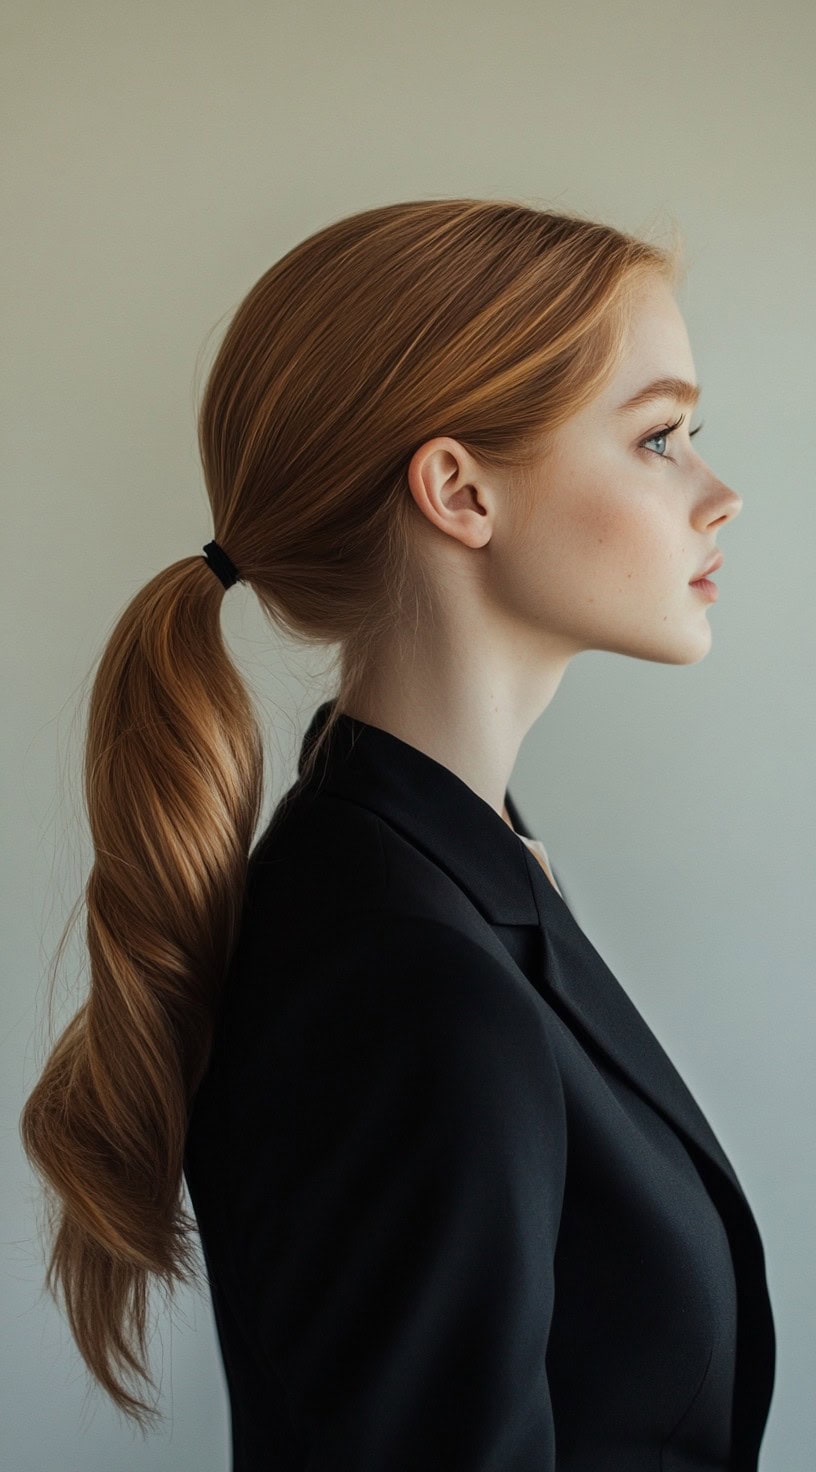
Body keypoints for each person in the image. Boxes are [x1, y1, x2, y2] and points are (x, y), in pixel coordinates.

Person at [19, 197, 775, 1469]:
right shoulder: (406, 973)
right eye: (660, 437)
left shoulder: (450, 867)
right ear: (458, 491)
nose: (723, 494)